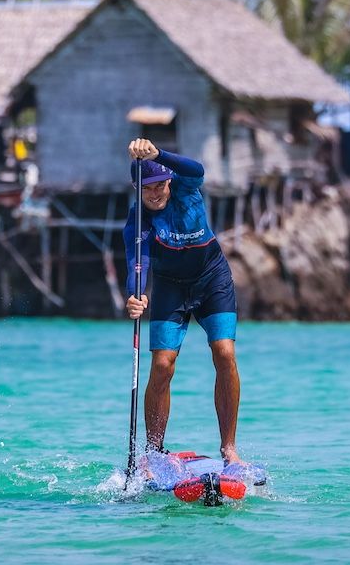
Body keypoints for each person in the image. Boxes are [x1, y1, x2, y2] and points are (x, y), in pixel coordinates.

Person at [123, 138, 244, 465]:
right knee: (162, 365)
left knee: (224, 352)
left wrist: (159, 155)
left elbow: (197, 168)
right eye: (147, 188)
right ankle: (153, 453)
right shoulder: (138, 222)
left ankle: (229, 449)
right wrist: (136, 295)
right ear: (137, 188)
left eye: (161, 185)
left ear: (170, 182)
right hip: (170, 287)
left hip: (212, 278)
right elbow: (138, 262)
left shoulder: (187, 189)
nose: (156, 193)